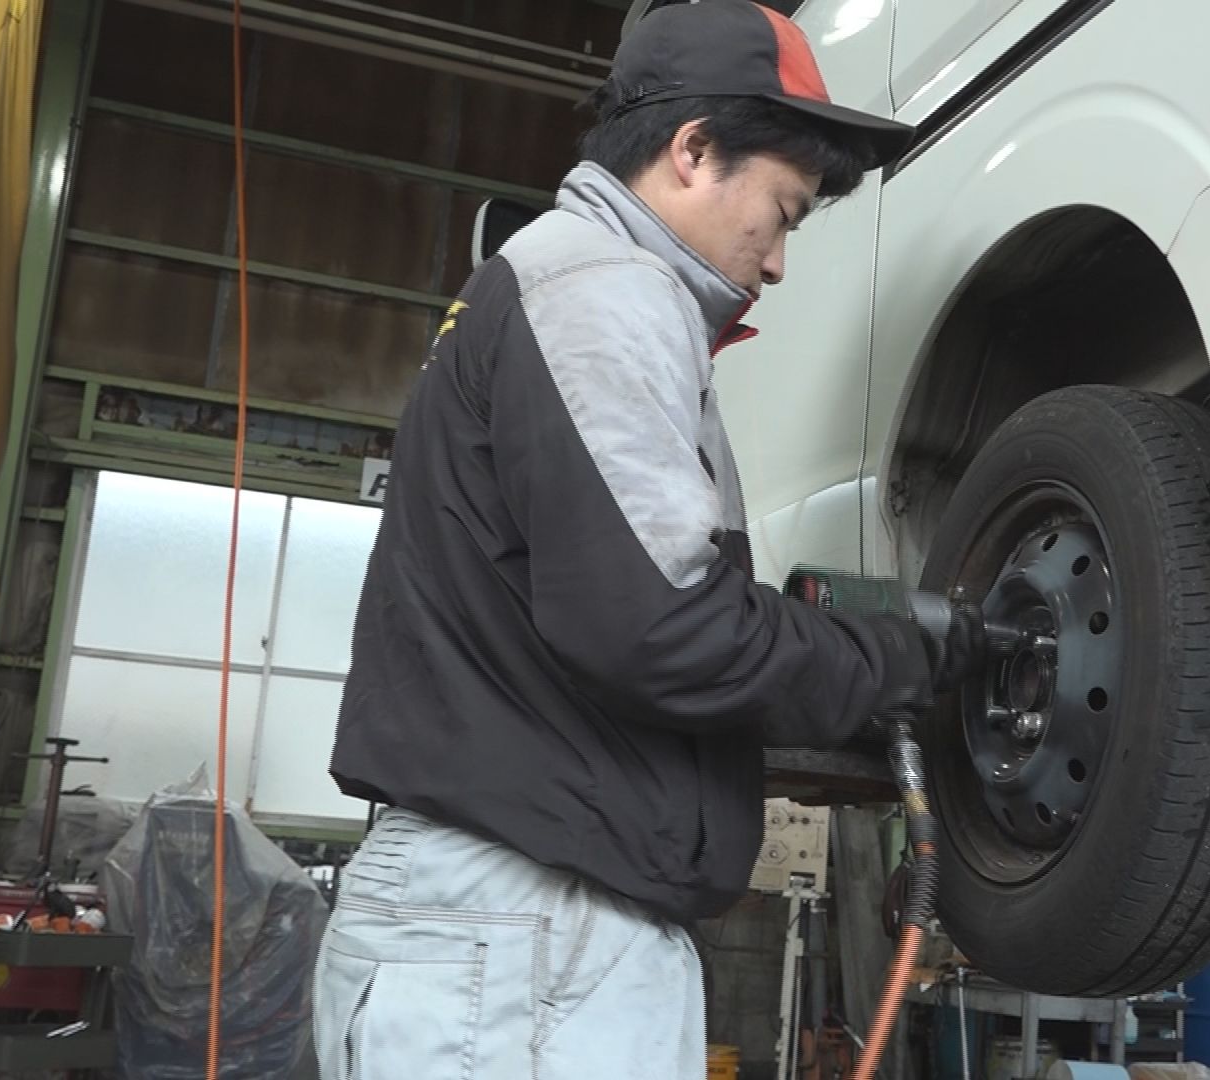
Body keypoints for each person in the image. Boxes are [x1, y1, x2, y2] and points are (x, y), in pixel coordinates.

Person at [311, 3, 981, 1077]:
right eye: (784, 213)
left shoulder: (564, 285)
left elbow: (618, 630)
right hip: (521, 938)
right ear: (693, 150)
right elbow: (663, 627)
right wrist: (895, 655)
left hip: (514, 935)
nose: (777, 264)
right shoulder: (605, 293)